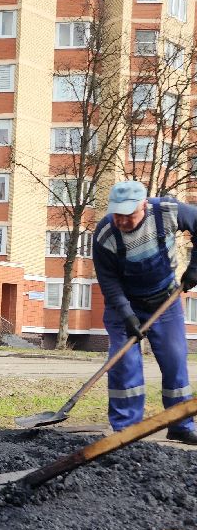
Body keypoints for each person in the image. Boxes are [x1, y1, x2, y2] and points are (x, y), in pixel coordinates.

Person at [93, 180, 197, 444]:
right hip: (123, 306)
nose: (122, 221)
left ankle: (180, 423)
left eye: (129, 215)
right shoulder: (105, 233)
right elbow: (108, 281)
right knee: (125, 364)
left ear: (144, 204)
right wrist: (127, 314)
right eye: (118, 214)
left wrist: (195, 268)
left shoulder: (167, 211)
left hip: (165, 300)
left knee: (175, 360)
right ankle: (127, 430)